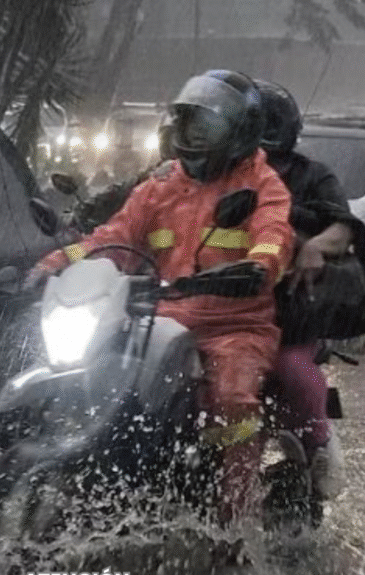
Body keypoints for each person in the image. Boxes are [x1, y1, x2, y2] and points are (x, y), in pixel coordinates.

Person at [25, 69, 295, 526]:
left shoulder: (263, 185)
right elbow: (113, 237)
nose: (194, 136)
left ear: (239, 132)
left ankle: (232, 524)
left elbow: (274, 237)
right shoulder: (161, 185)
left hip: (232, 326)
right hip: (157, 318)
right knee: (78, 374)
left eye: (207, 127)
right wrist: (55, 263)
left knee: (233, 398)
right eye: (189, 124)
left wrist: (257, 267)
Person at [255, 79, 363, 501]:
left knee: (290, 368)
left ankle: (318, 443)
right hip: (210, 306)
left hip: (287, 309)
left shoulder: (312, 177)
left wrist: (315, 246)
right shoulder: (212, 173)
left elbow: (344, 226)